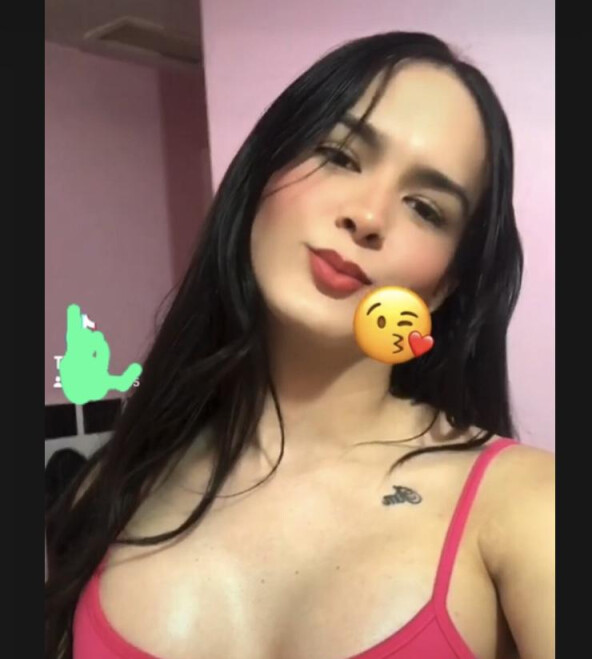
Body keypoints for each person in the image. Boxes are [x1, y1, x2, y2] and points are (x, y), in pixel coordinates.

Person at [45, 31, 555, 659]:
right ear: (263, 174)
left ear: (445, 284)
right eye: (339, 156)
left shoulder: (531, 510)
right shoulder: (111, 488)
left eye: (425, 208)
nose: (368, 216)